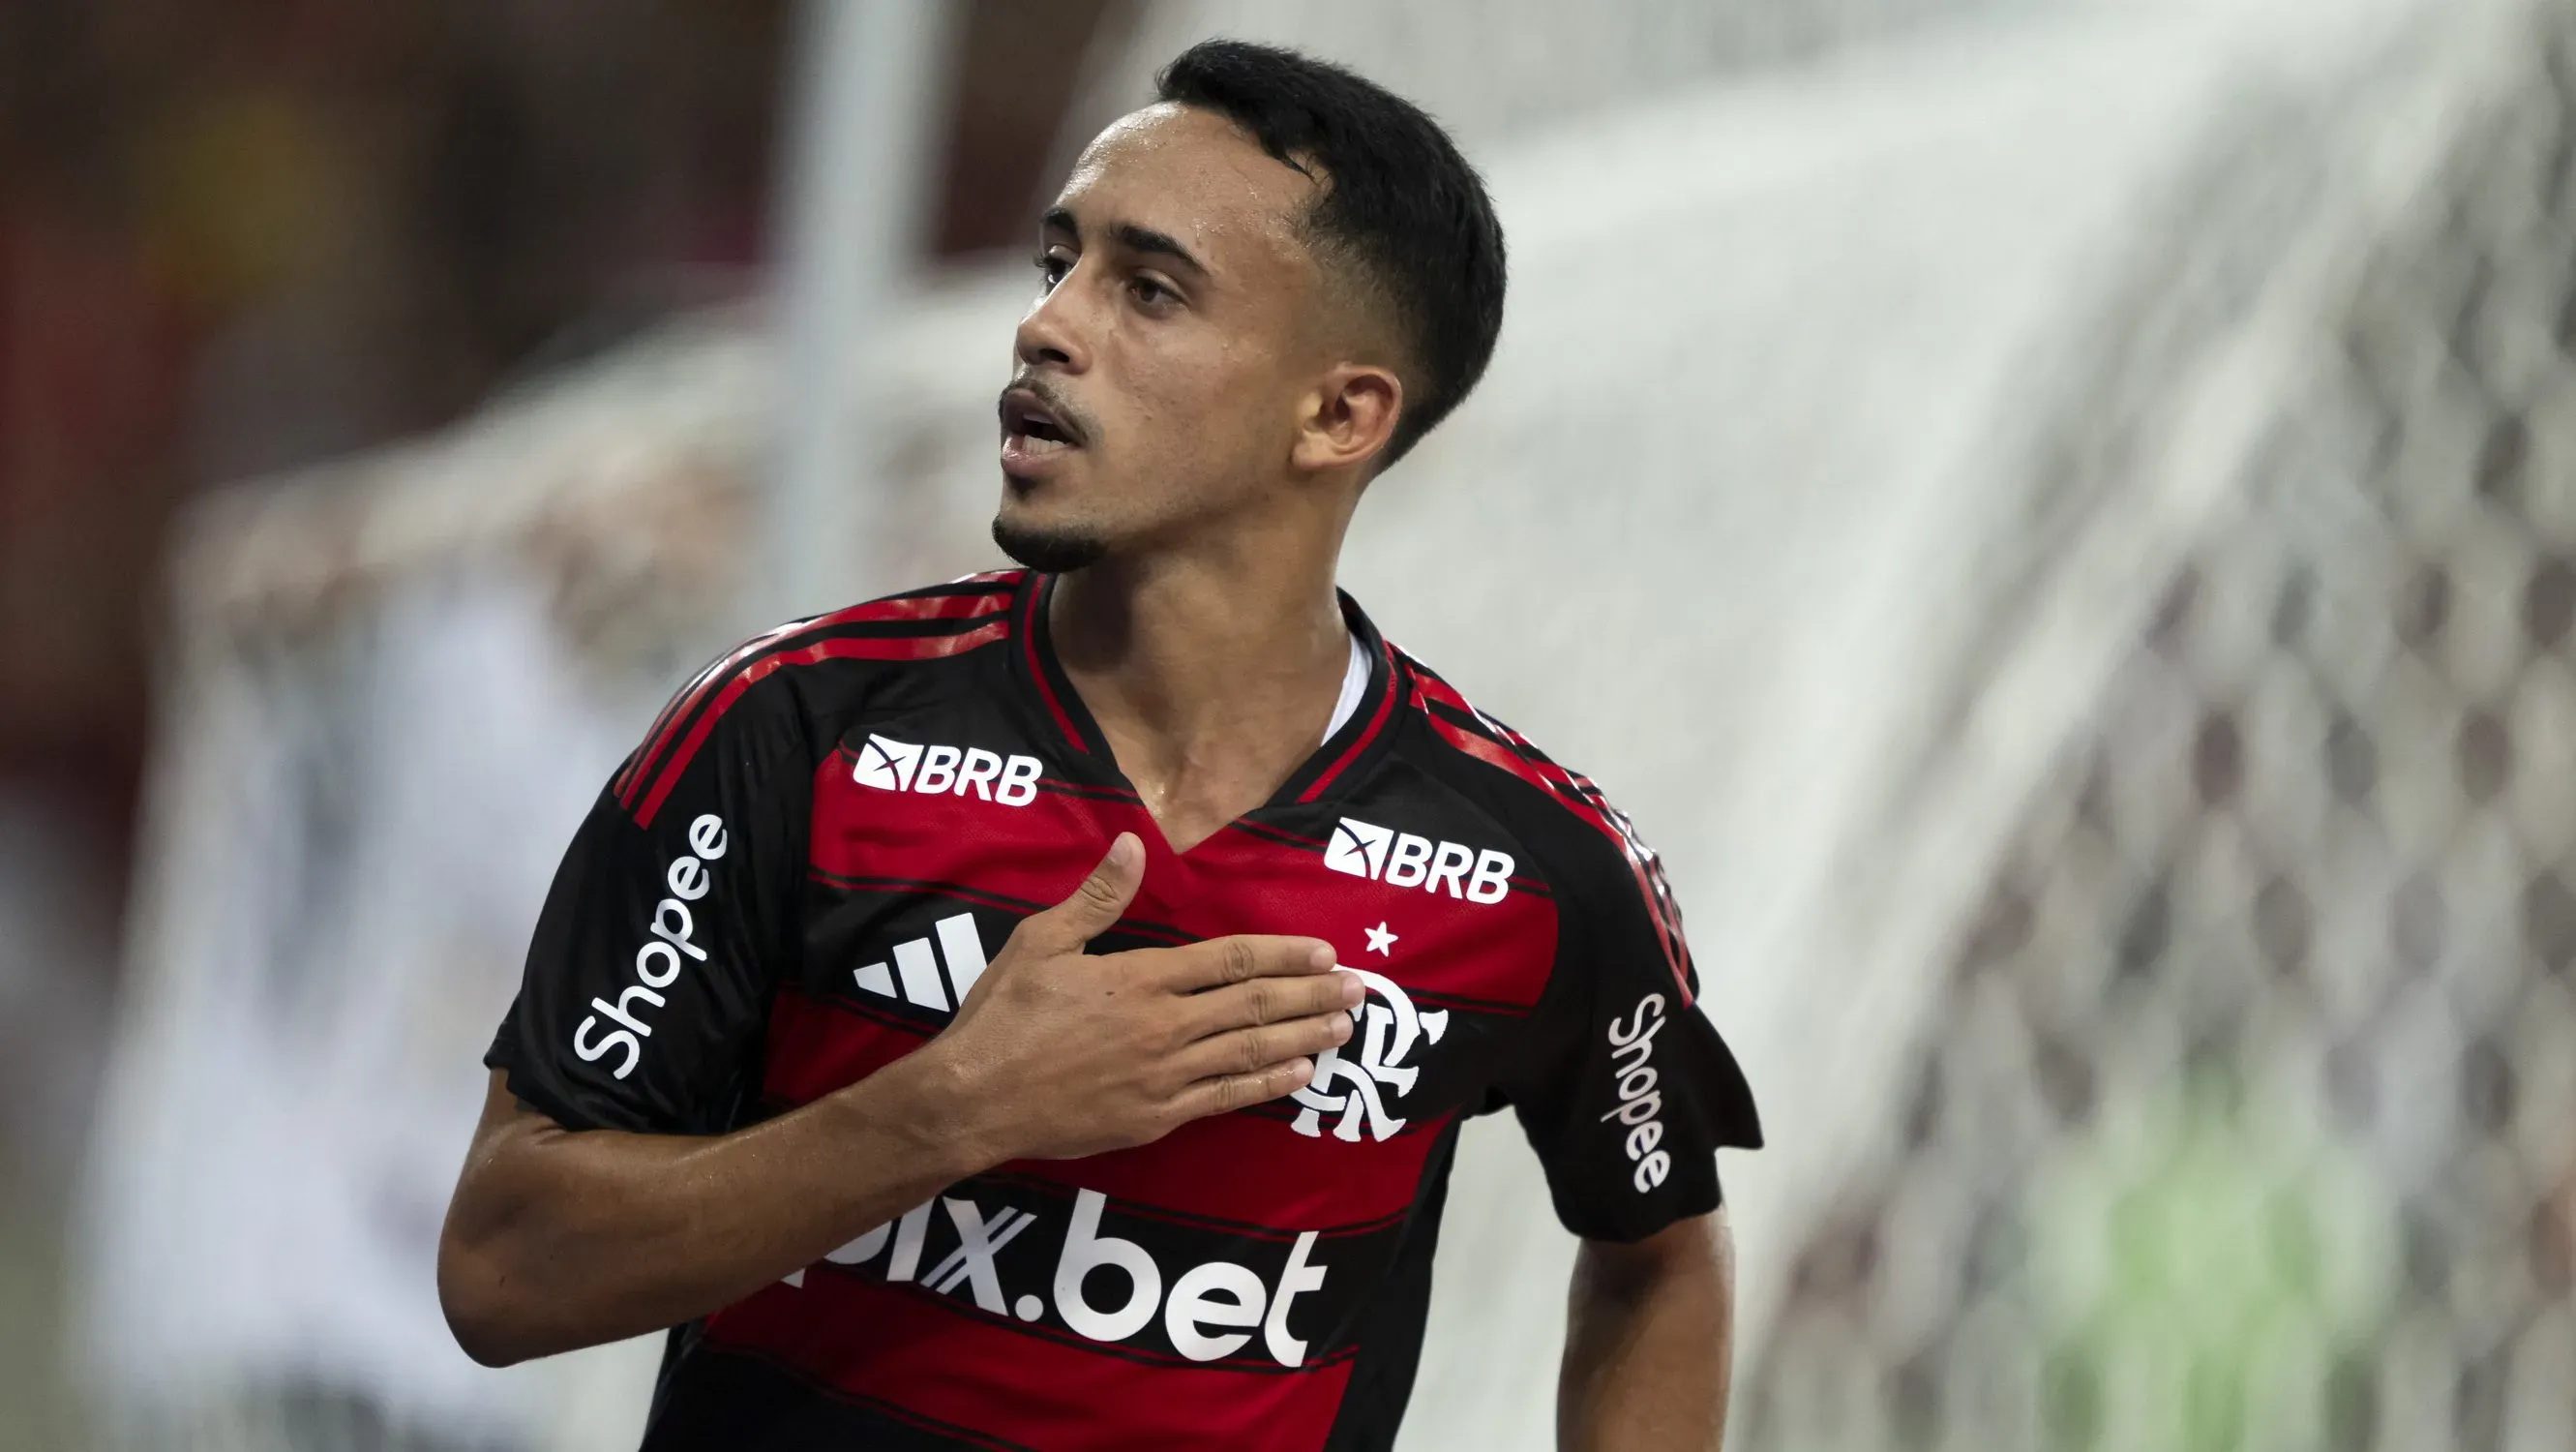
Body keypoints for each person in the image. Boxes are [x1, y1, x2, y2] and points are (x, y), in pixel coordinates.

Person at [438, 39, 1760, 1451]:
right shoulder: (797, 728)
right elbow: (504, 1269)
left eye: (1147, 289)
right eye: (1055, 265)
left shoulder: (1535, 870)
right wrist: (950, 1109)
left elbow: (1659, 1252)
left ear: (1339, 413)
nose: (1047, 327)